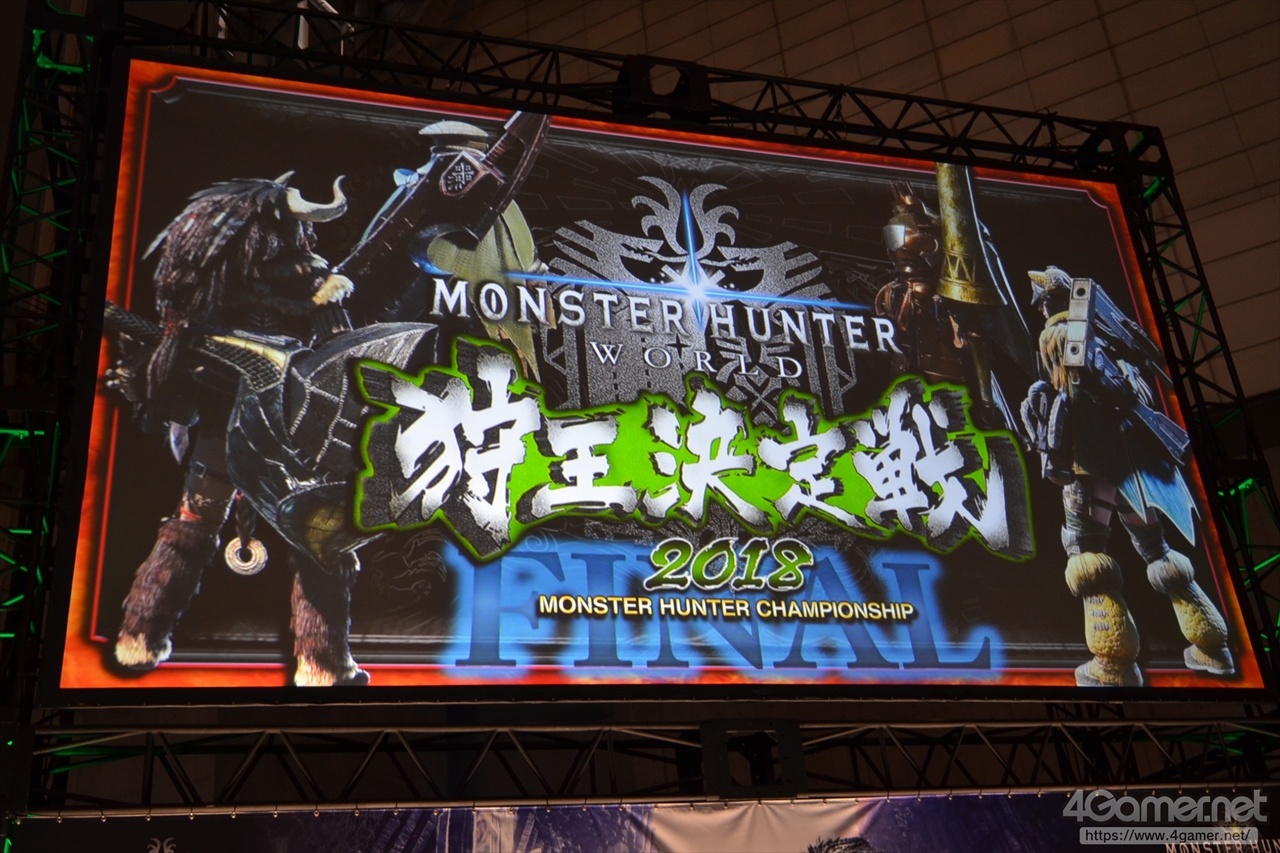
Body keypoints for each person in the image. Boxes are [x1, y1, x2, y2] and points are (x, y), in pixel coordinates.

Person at [1020, 265, 1234, 687]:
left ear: (1048, 303)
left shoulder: (1060, 336)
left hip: (1094, 461)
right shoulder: (1104, 335)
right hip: (1135, 458)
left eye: (1042, 303)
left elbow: (1074, 396)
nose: (1041, 309)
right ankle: (1212, 644)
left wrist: (1049, 426)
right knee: (1155, 547)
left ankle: (1113, 662)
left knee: (1085, 553)